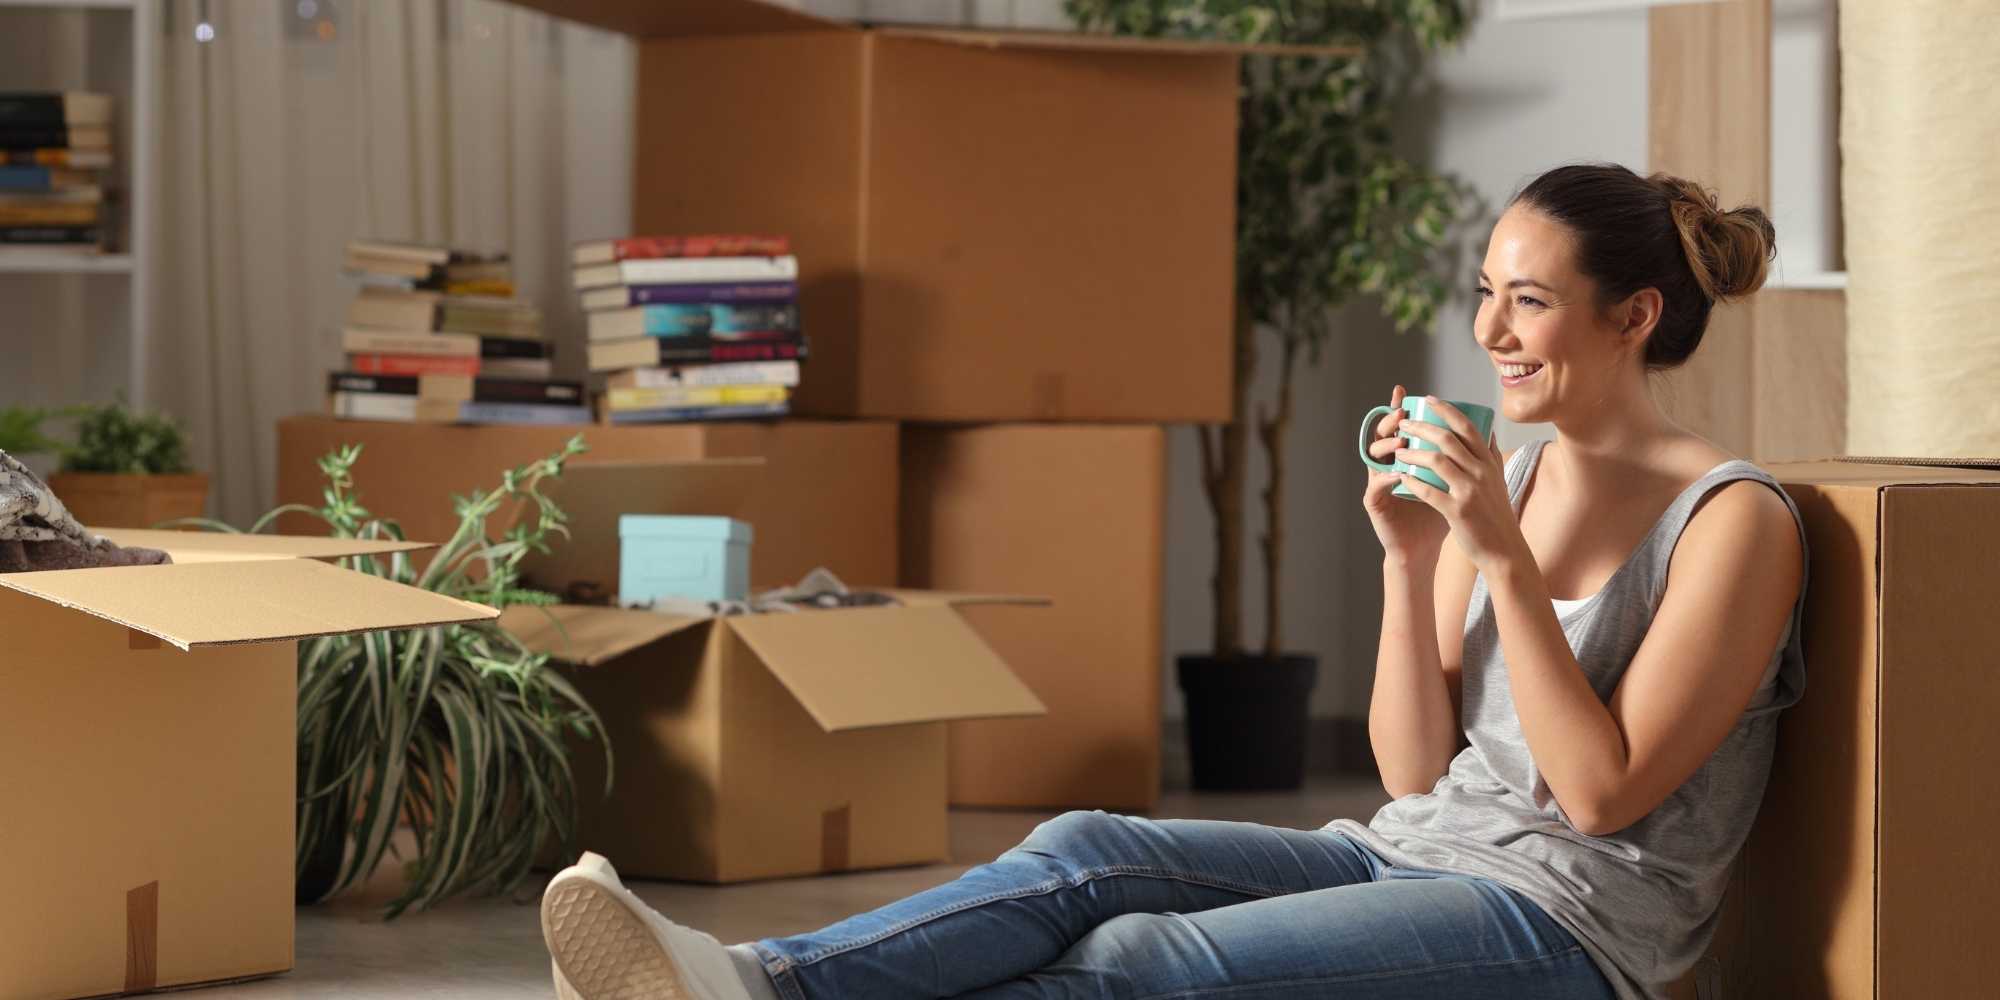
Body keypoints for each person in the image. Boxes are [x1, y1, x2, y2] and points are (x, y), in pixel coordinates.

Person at [535, 162, 1807, 1000]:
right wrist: (1407, 560)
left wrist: (1496, 562)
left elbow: (1593, 796)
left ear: (1633, 316)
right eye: (1484, 293)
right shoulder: (1517, 481)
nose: (1486, 333)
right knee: (1089, 851)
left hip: (1569, 930)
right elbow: (1414, 776)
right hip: (1413, 855)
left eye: (1526, 301)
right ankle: (758, 984)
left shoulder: (1730, 522)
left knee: (1145, 961)